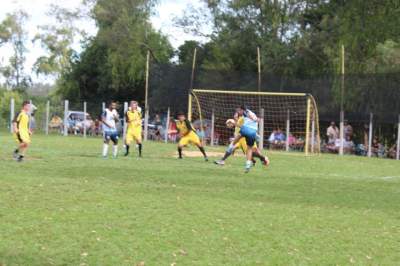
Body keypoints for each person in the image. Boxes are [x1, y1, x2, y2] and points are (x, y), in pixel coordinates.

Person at [228, 106, 269, 173]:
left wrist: (234, 123)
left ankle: (263, 158)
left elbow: (243, 124)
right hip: (248, 135)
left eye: (238, 111)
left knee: (252, 151)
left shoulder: (245, 114)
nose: (237, 113)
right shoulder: (246, 115)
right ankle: (250, 164)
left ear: (242, 110)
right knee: (249, 151)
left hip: (246, 133)